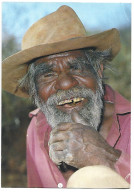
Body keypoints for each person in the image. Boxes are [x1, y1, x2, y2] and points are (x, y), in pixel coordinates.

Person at [2, 5, 130, 188]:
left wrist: (106, 157)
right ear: (32, 89)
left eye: (76, 67)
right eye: (48, 74)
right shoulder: (36, 128)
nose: (66, 83)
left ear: (98, 71)